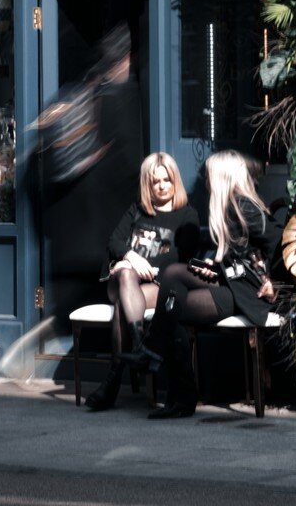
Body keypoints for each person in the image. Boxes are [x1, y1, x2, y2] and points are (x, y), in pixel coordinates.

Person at [123, 150, 282, 419]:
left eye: (209, 176)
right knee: (173, 279)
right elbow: (239, 256)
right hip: (230, 286)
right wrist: (217, 267)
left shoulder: (243, 207)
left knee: (173, 308)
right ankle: (158, 361)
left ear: (222, 178)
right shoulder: (233, 206)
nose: (206, 182)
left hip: (243, 296)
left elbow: (278, 239)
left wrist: (273, 282)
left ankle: (160, 365)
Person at [37, 23, 146, 329]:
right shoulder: (122, 99)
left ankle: (69, 345)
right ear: (127, 58)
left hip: (68, 234)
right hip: (106, 227)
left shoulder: (70, 100)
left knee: (76, 314)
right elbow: (128, 165)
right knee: (110, 306)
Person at [83, 151, 200, 411]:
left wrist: (144, 266)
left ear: (175, 181)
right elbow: (113, 241)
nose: (162, 186)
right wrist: (131, 257)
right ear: (148, 184)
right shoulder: (137, 210)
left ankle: (112, 383)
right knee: (125, 275)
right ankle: (139, 346)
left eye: (167, 180)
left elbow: (183, 255)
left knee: (121, 308)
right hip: (123, 281)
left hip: (157, 287)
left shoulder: (187, 215)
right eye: (156, 181)